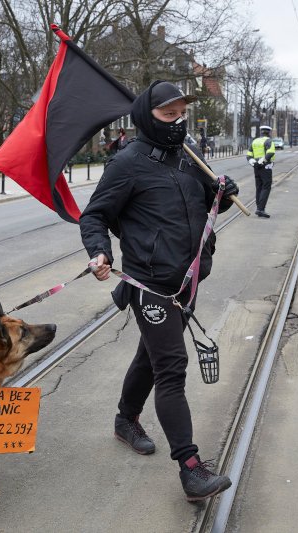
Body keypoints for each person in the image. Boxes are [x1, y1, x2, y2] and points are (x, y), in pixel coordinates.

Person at [79, 80, 238, 502]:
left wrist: (222, 195)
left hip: (187, 280)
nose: (177, 122)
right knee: (172, 367)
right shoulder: (127, 163)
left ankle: (125, 420)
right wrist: (99, 253)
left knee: (150, 357)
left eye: (181, 114)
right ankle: (190, 469)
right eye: (169, 115)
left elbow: (205, 204)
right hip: (150, 284)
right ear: (148, 117)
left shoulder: (190, 156)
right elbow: (93, 215)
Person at [246, 125, 276, 217]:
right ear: (269, 132)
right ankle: (260, 209)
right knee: (266, 187)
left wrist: (254, 163)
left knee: (259, 187)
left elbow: (249, 155)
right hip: (265, 167)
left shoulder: (255, 141)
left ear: (261, 132)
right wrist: (261, 162)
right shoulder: (269, 141)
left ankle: (259, 207)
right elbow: (270, 153)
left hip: (256, 167)